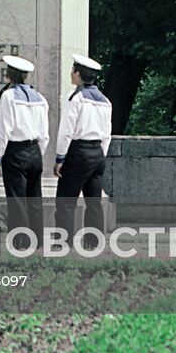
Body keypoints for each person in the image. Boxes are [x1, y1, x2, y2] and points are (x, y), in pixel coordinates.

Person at [0, 54, 49, 250]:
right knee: (34, 199)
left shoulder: (9, 96)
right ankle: (37, 240)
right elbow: (45, 133)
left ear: (9, 74)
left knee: (17, 199)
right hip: (34, 150)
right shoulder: (40, 98)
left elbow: (4, 129)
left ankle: (21, 242)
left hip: (15, 151)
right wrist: (37, 152)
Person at [54, 54, 111, 246]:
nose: (71, 74)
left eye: (73, 71)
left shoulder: (77, 98)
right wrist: (100, 154)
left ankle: (63, 241)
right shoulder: (105, 101)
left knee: (66, 201)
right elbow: (107, 134)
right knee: (94, 202)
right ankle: (93, 242)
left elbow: (66, 131)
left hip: (79, 152)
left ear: (78, 74)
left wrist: (60, 158)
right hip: (97, 153)